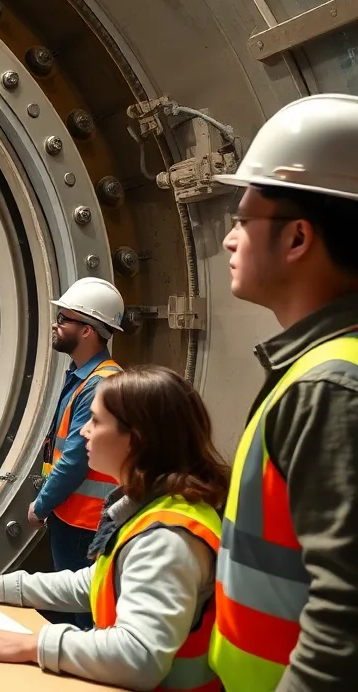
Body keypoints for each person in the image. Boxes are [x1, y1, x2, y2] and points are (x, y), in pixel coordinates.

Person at [0, 365, 229, 692]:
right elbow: (90, 584)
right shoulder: (157, 512)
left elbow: (140, 658)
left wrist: (32, 645)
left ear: (135, 439)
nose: (83, 432)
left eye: (95, 421)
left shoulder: (167, 539)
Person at [206, 94, 358, 692]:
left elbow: (344, 619)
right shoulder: (319, 370)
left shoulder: (330, 388)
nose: (229, 240)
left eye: (243, 220)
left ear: (297, 238)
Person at [29, 276, 125, 628]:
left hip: (85, 522)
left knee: (84, 615)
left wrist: (42, 505)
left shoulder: (99, 384)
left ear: (87, 330)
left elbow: (75, 458)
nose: (56, 325)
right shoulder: (86, 377)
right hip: (75, 517)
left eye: (64, 318)